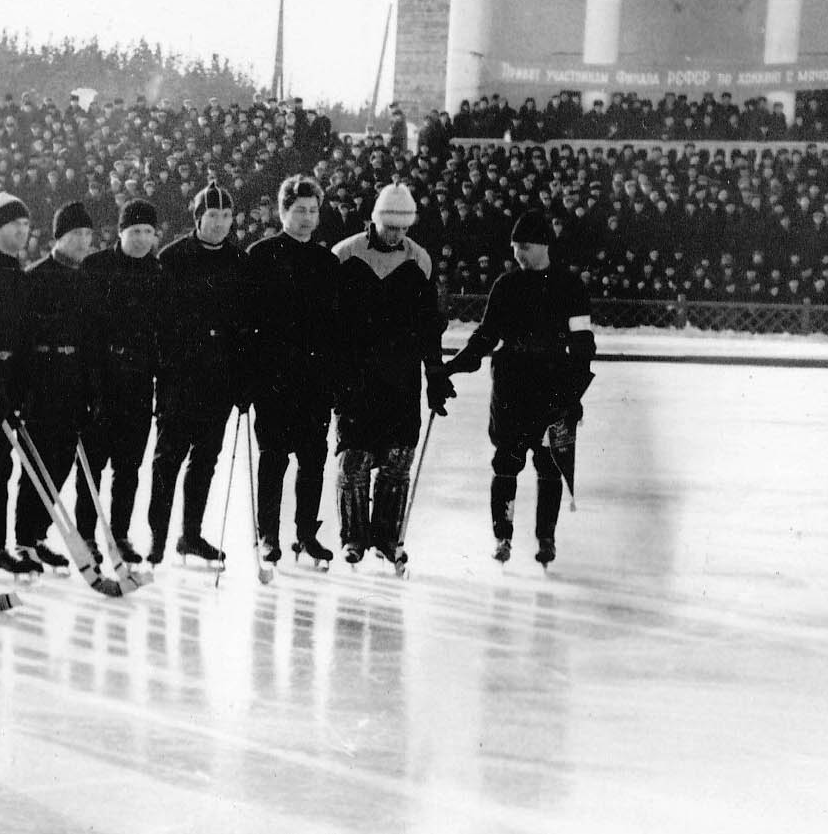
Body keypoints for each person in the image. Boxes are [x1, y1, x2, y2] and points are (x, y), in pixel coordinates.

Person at [439, 210, 595, 567]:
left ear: (544, 245)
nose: (518, 255)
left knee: (549, 464)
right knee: (506, 462)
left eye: (524, 247)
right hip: (511, 384)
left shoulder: (570, 286)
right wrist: (454, 365)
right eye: (514, 247)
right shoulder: (506, 286)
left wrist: (574, 396)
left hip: (554, 384)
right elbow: (486, 335)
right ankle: (502, 535)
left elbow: (583, 344)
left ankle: (546, 536)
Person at [330, 184, 451, 573]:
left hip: (400, 377)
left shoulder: (419, 260)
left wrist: (435, 375)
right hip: (354, 374)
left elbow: (429, 327)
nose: (395, 234)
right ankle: (353, 536)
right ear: (376, 219)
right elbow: (328, 319)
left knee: (398, 459)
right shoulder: (346, 254)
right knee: (354, 458)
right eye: (389, 225)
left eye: (402, 227)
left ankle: (386, 536)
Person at [244, 175, 341, 568]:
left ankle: (305, 533)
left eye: (312, 211)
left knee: (313, 458)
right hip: (273, 377)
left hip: (314, 379)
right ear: (284, 211)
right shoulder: (261, 254)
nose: (305, 218)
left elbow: (336, 325)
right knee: (273, 457)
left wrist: (333, 378)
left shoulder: (327, 261)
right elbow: (247, 322)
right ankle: (268, 534)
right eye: (299, 210)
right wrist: (248, 378)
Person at [144, 182, 242, 566]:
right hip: (180, 376)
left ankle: (191, 535)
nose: (219, 223)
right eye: (212, 216)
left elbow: (243, 324)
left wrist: (240, 379)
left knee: (206, 459)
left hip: (219, 378)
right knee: (168, 458)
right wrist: (165, 365)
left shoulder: (237, 261)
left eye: (225, 216)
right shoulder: (171, 258)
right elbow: (156, 321)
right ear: (198, 218)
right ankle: (158, 536)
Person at [77, 199, 161, 564]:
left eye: (148, 232)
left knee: (129, 467)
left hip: (139, 383)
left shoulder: (158, 273)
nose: (142, 239)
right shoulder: (96, 267)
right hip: (101, 379)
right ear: (120, 232)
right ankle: (85, 535)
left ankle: (119, 534)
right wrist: (90, 383)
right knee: (92, 466)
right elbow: (86, 331)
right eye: (135, 231)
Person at [17, 202, 101, 563]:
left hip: (73, 380)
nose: (84, 242)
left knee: (62, 464)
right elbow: (23, 336)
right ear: (60, 237)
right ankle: (24, 539)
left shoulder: (87, 280)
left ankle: (38, 534)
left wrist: (92, 388)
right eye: (77, 235)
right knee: (36, 463)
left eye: (88, 235)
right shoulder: (34, 276)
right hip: (41, 378)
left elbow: (91, 340)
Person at [0, 193, 45, 576]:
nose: (22, 232)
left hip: (13, 382)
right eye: (14, 225)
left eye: (25, 226)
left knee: (4, 464)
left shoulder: (20, 272)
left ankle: (3, 544)